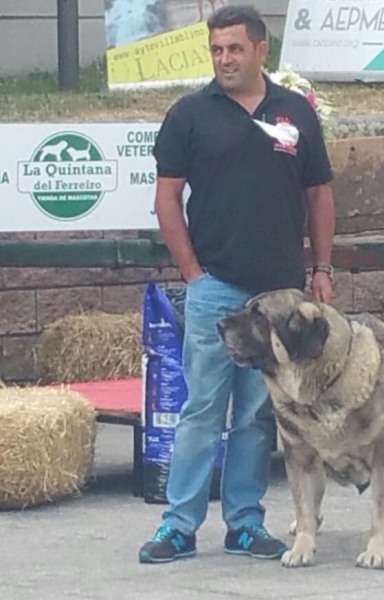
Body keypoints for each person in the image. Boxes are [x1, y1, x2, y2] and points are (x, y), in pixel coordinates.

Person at [138, 4, 336, 564]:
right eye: (216, 50)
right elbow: (166, 196)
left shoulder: (295, 112)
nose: (225, 59)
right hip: (217, 290)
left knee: (256, 413)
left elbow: (319, 193)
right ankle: (179, 525)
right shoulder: (189, 115)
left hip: (279, 298)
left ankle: (245, 523)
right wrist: (192, 272)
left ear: (260, 50)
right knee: (203, 407)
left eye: (235, 48)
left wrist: (321, 268)